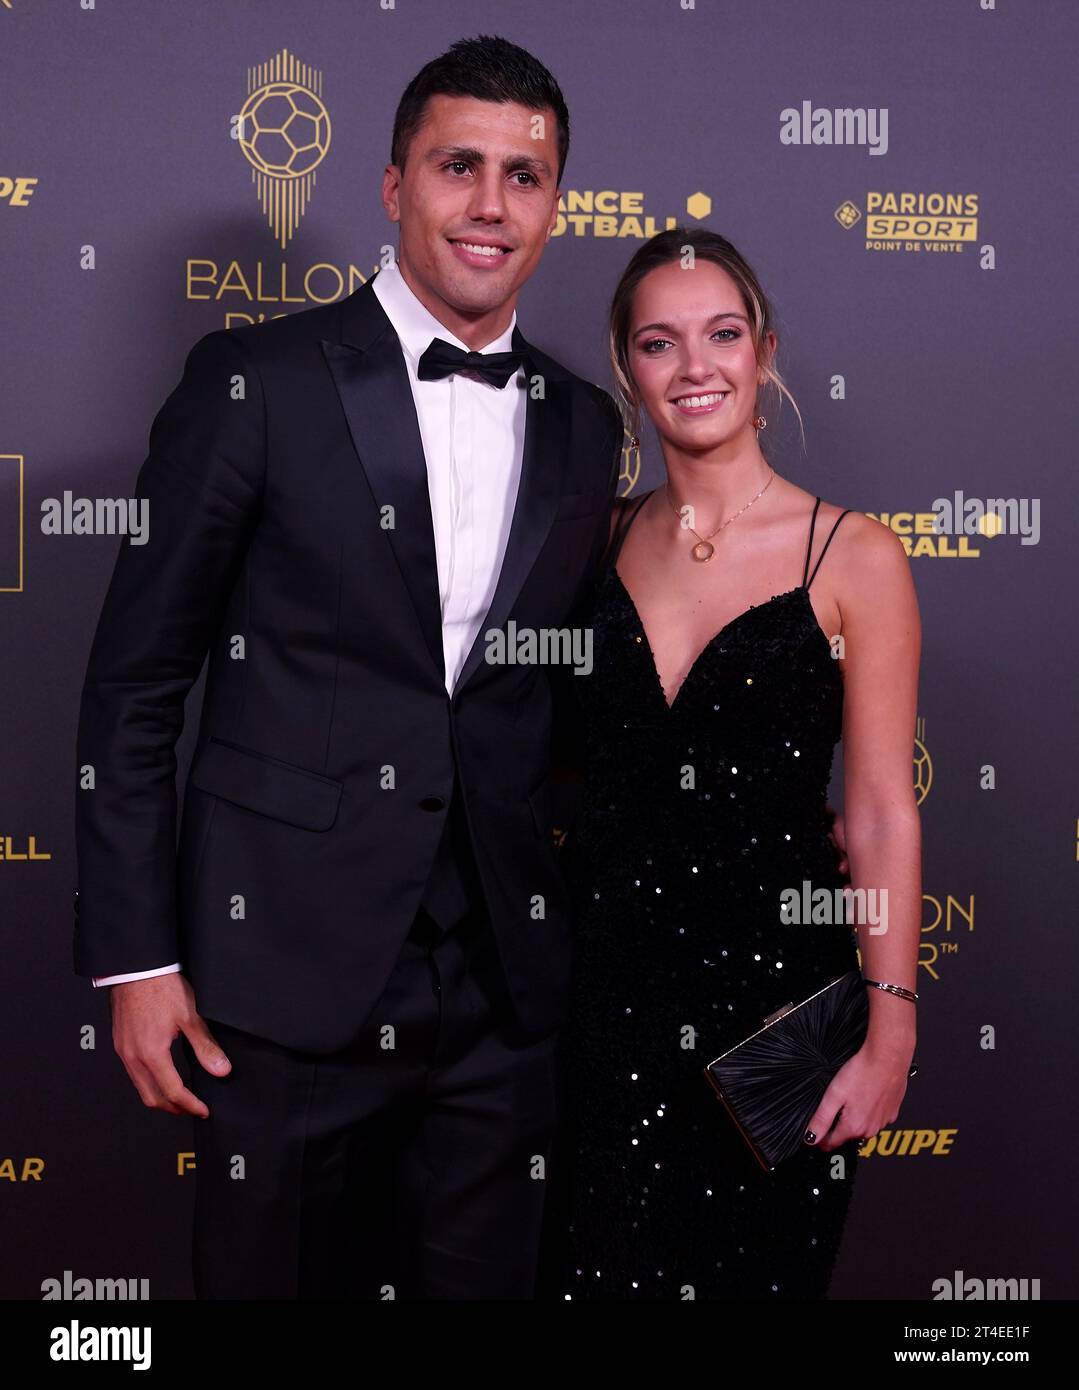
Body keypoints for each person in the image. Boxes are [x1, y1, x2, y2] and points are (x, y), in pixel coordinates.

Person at [73, 34, 624, 1299]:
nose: (491, 205)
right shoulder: (253, 381)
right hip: (279, 975)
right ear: (391, 187)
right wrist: (138, 961)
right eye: (457, 166)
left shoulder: (585, 424)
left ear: (554, 203)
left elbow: (568, 703)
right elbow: (134, 689)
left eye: (524, 176)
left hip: (501, 995)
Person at [550, 227, 922, 1299]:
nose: (695, 365)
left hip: (768, 1019)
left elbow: (879, 810)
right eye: (659, 343)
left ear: (762, 351)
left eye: (721, 334)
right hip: (596, 1004)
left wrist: (890, 1023)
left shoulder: (851, 554)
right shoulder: (596, 540)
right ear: (629, 370)